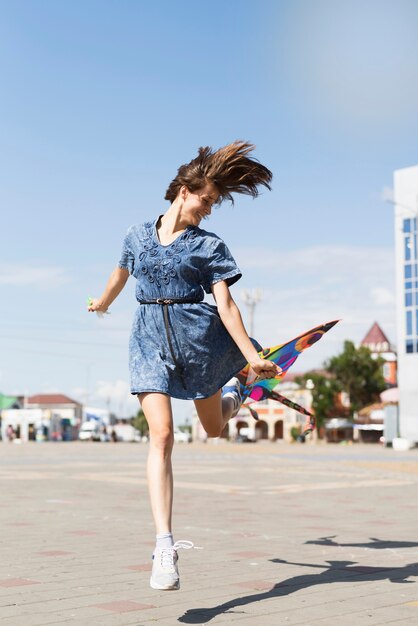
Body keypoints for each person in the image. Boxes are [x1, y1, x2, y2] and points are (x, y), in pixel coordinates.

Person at [88, 141, 278, 590]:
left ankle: (234, 393)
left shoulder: (209, 245)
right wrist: (101, 303)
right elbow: (120, 274)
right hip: (148, 341)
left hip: (198, 342)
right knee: (163, 434)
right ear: (184, 191)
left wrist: (251, 356)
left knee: (213, 428)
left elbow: (227, 304)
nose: (210, 209)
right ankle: (164, 546)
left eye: (214, 203)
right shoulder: (136, 235)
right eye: (207, 200)